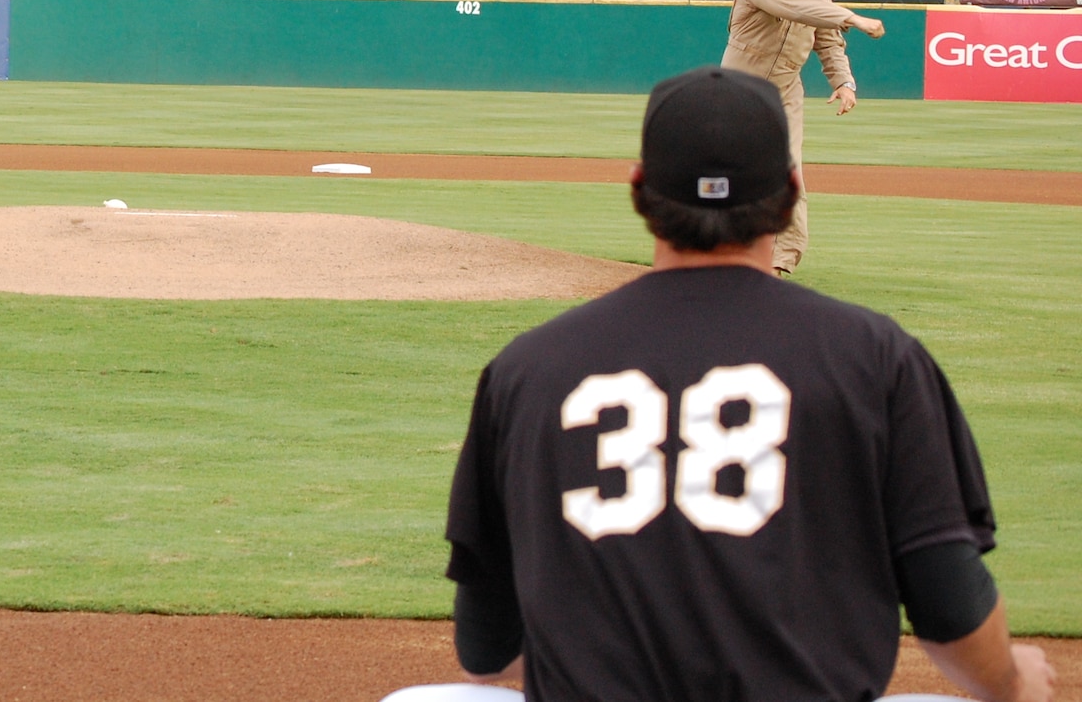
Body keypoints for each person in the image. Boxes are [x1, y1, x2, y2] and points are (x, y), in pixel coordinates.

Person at [442, 66, 1054, 702]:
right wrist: (1012, 684)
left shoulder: (527, 369)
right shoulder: (877, 358)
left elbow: (486, 653)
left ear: (639, 191)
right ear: (790, 195)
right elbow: (949, 605)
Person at [719, 0, 885, 275]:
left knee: (787, 173)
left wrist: (843, 81)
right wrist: (852, 17)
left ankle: (777, 264)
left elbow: (827, 41)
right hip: (738, 89)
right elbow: (797, 8)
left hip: (784, 91)